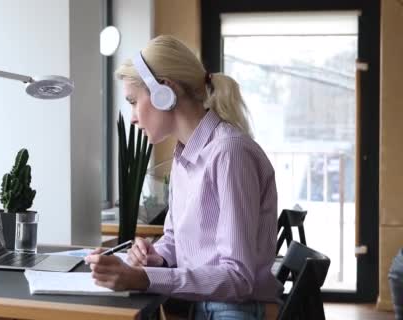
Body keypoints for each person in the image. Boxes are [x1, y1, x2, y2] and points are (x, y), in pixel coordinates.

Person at [84, 35, 281, 320]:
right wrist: (156, 257)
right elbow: (176, 239)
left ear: (165, 91)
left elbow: (238, 277)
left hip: (234, 311)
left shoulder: (229, 154)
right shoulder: (184, 155)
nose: (132, 118)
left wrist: (143, 278)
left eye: (133, 101)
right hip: (201, 306)